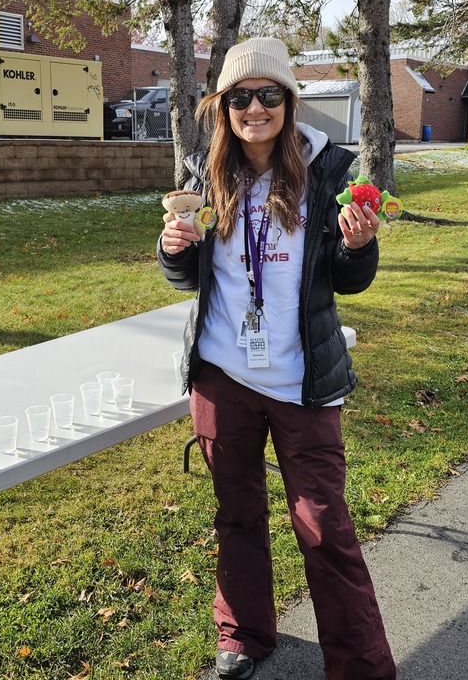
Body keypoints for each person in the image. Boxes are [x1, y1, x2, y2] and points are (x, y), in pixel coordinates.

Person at [157, 37, 397, 680]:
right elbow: (188, 279)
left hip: (302, 379)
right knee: (236, 513)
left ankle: (362, 667)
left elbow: (348, 280)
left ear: (288, 103)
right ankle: (243, 635)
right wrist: (174, 248)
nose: (254, 108)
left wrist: (357, 246)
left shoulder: (326, 173)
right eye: (240, 96)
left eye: (268, 95)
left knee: (324, 529)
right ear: (223, 106)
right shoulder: (204, 176)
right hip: (221, 377)